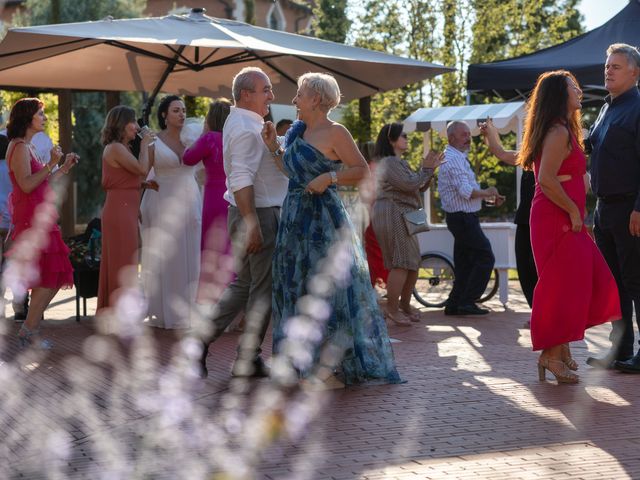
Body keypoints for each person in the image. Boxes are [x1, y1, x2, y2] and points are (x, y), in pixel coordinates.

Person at [261, 72, 403, 387]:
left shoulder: (336, 132)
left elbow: (362, 170)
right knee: (297, 286)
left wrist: (329, 178)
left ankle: (330, 368)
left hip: (322, 219)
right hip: (294, 218)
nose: (295, 100)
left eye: (299, 94)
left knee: (324, 289)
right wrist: (274, 148)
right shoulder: (297, 131)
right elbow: (291, 172)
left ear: (317, 98)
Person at [521, 70, 621, 383]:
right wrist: (573, 213)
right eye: (572, 87)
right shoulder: (557, 131)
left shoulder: (564, 128)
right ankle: (552, 354)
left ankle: (559, 350)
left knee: (575, 284)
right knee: (561, 286)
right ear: (558, 95)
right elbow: (546, 180)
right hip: (555, 218)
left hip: (564, 216)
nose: (578, 90)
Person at [199, 67, 289, 378]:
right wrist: (252, 223)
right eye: (266, 90)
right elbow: (239, 178)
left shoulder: (245, 122)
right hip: (258, 213)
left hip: (253, 211)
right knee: (262, 290)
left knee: (244, 285)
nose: (271, 96)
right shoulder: (246, 128)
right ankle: (247, 357)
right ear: (246, 94)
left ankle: (204, 342)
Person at [4, 98, 78, 348]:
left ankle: (29, 330)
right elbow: (26, 184)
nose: (45, 118)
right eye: (41, 114)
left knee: (53, 275)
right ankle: (28, 331)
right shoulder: (19, 146)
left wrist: (63, 167)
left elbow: (42, 183)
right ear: (27, 118)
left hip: (40, 217)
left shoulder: (28, 146)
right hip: (31, 220)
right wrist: (51, 164)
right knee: (50, 276)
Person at [585, 44, 640, 373]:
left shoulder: (638, 108)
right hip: (604, 210)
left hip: (630, 209)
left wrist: (639, 207)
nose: (608, 71)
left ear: (634, 73)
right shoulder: (606, 109)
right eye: (607, 66)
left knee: (636, 281)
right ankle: (620, 349)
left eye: (616, 67)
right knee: (613, 284)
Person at [370, 122, 443, 326]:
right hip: (393, 213)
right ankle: (392, 309)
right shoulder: (390, 162)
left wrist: (428, 171)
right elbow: (411, 184)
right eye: (403, 136)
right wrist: (426, 170)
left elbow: (416, 185)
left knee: (412, 263)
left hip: (402, 214)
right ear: (391, 140)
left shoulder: (397, 162)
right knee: (401, 263)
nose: (407, 139)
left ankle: (404, 305)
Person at [140, 95, 201, 329]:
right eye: (176, 110)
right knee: (168, 254)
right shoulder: (154, 141)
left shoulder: (193, 137)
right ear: (164, 115)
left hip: (190, 195)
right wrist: (146, 182)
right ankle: (165, 310)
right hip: (162, 198)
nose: (182, 114)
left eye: (184, 110)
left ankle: (192, 309)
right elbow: (143, 170)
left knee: (192, 250)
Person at [438, 121, 503, 316]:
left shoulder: (455, 156)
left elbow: (464, 192)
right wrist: (488, 192)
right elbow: (465, 191)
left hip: (461, 217)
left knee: (465, 264)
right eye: (464, 135)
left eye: (469, 134)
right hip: (463, 219)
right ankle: (467, 301)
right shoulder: (454, 158)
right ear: (451, 138)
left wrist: (488, 197)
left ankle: (455, 303)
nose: (469, 138)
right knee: (485, 257)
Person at [97, 105, 154, 314]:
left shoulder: (124, 148)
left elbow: (130, 178)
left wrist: (143, 185)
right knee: (123, 260)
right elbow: (142, 169)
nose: (137, 127)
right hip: (119, 210)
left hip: (126, 208)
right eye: (133, 122)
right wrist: (145, 144)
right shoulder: (116, 148)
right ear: (122, 124)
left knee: (128, 258)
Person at [480, 119, 537, 311]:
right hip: (525, 218)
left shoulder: (549, 149)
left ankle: (545, 314)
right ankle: (538, 312)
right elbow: (501, 152)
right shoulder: (530, 155)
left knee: (535, 268)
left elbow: (502, 153)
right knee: (525, 267)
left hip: (541, 219)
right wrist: (490, 134)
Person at [183, 98, 233, 303]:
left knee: (212, 247)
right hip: (234, 196)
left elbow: (187, 158)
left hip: (213, 198)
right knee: (230, 248)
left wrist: (203, 134)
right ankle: (234, 302)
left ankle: (212, 301)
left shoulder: (209, 138)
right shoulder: (234, 138)